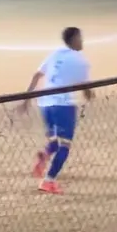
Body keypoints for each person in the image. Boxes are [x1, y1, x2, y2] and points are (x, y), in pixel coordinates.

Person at [24, 27, 92, 195]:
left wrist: (26, 99)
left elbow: (37, 75)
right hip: (63, 105)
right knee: (65, 144)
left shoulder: (55, 54)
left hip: (45, 103)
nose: (82, 41)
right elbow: (85, 87)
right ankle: (49, 181)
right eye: (80, 37)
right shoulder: (80, 61)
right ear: (74, 39)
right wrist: (90, 95)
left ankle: (45, 155)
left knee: (55, 141)